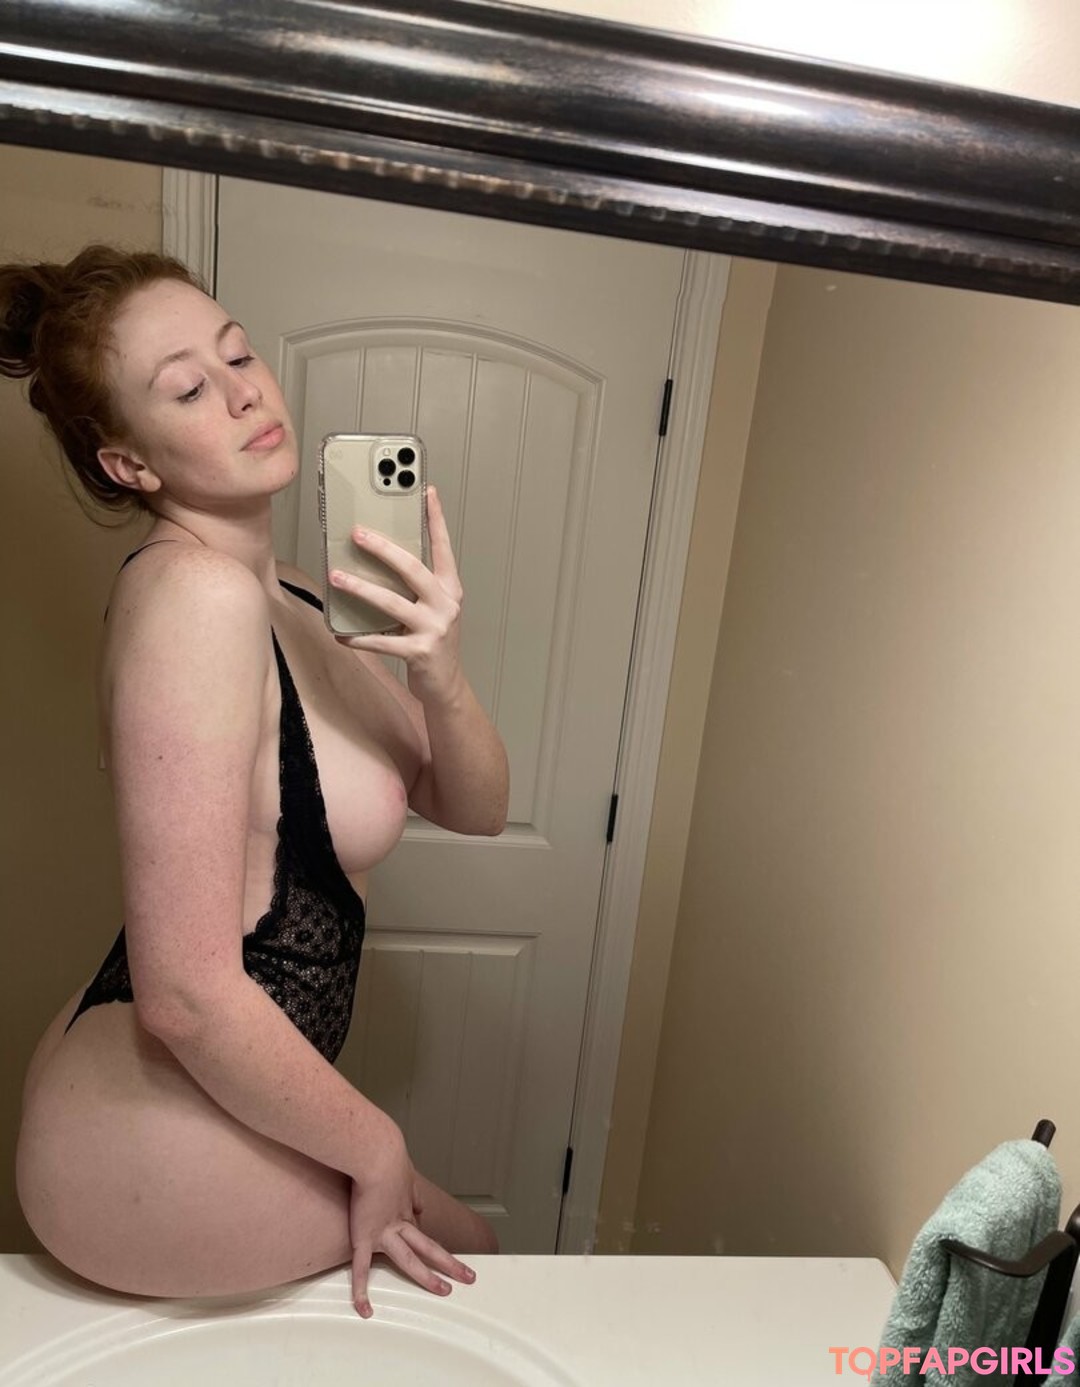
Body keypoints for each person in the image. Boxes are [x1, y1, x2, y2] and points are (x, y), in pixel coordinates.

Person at [1, 243, 508, 1318]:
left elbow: (476, 807)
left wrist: (441, 670)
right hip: (152, 1127)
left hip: (189, 1085)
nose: (241, 393)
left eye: (236, 355)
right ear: (129, 464)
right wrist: (377, 1144)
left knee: (482, 1270)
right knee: (483, 1264)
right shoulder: (195, 599)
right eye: (187, 388)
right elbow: (185, 993)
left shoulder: (291, 592)